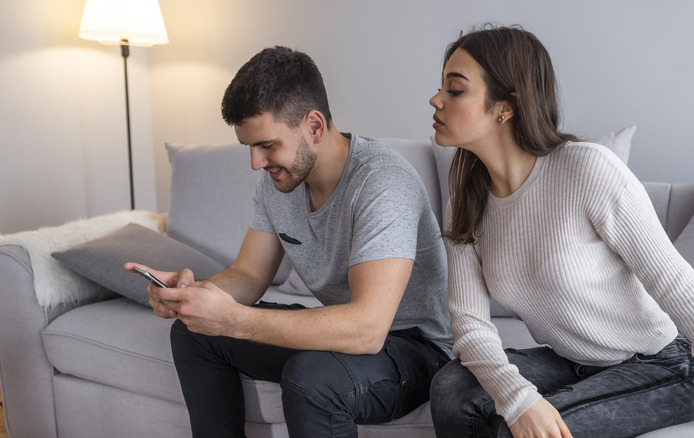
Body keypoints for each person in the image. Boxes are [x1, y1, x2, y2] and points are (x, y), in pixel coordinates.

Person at [427, 25, 694, 438]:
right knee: (452, 388)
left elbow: (674, 282)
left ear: (505, 106)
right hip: (568, 360)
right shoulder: (466, 202)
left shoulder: (585, 169)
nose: (435, 99)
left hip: (659, 365)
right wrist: (519, 397)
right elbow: (470, 326)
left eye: (455, 90)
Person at [126, 46, 452, 438]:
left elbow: (367, 329)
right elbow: (248, 273)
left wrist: (233, 319)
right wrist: (196, 296)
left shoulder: (383, 182)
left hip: (413, 349)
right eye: (249, 147)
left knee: (311, 377)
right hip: (345, 338)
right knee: (195, 332)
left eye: (267, 145)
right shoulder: (277, 184)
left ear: (314, 126)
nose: (256, 163)